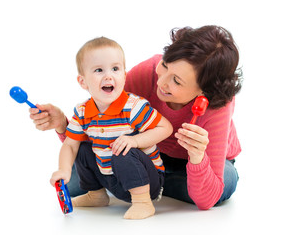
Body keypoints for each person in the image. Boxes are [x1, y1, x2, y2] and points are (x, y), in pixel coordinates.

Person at [30, 25, 242, 210]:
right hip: (143, 153)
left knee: (225, 182)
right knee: (75, 185)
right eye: (165, 65)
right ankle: (141, 184)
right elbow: (100, 128)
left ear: (203, 91)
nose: (161, 82)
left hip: (193, 161)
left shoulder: (217, 105)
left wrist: (197, 158)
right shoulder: (149, 72)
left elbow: (206, 201)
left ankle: (140, 186)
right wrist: (62, 125)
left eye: (176, 81)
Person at [49, 36, 173, 220]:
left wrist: (135, 140)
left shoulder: (133, 106)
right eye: (99, 70)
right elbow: (69, 145)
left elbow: (166, 128)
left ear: (124, 75)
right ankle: (96, 195)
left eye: (115, 69)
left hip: (147, 181)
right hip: (112, 180)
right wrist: (64, 170)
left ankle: (143, 203)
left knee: (122, 148)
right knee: (82, 148)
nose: (108, 76)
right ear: (83, 82)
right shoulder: (83, 112)